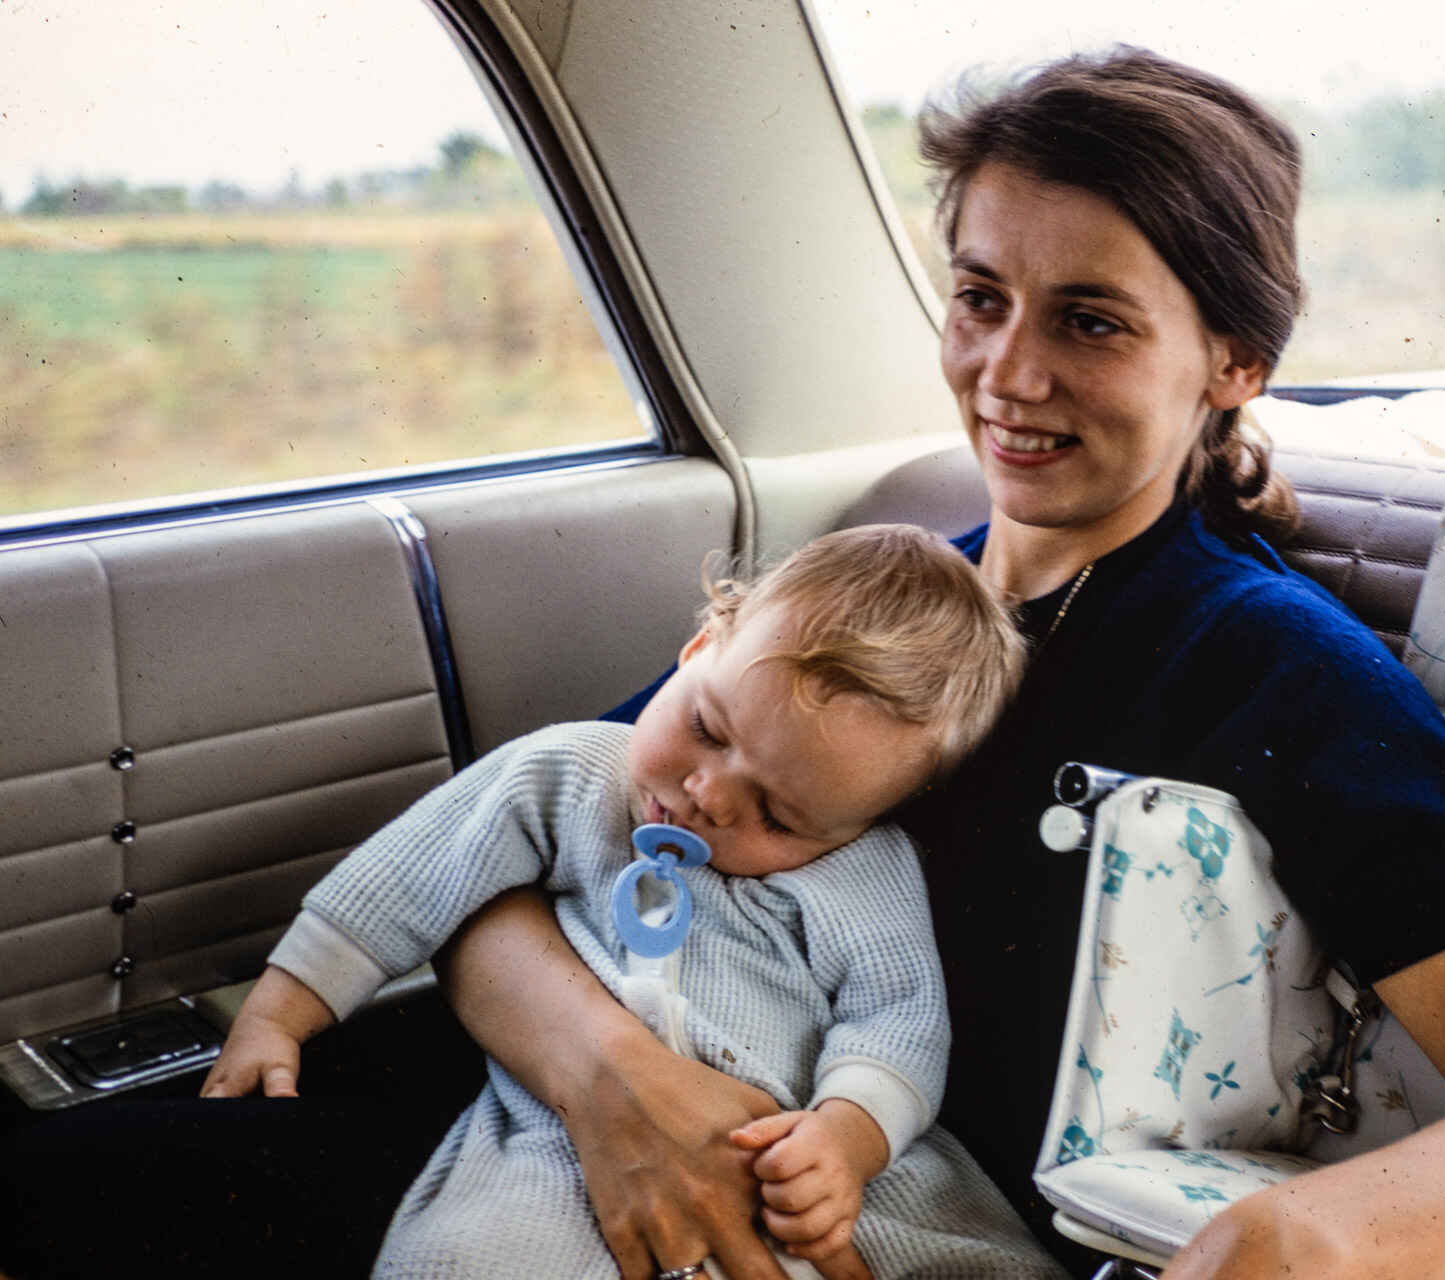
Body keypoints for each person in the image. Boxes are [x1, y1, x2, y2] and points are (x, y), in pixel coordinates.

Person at [449, 47, 1445, 1280]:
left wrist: (1299, 1241)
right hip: (542, 1152)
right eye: (981, 298)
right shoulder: (865, 601)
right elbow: (487, 859)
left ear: (1235, 361)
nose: (1010, 374)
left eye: (1089, 320)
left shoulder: (1280, 672)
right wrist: (620, 1092)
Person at [198, 524, 1063, 1280]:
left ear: (861, 821)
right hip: (564, 1146)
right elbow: (408, 875)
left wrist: (848, 1137)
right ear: (697, 650)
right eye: (707, 730)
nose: (707, 795)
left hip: (818, 1166)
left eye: (778, 815)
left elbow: (900, 1021)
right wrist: (278, 1015)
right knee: (461, 1260)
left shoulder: (868, 872)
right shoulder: (570, 773)